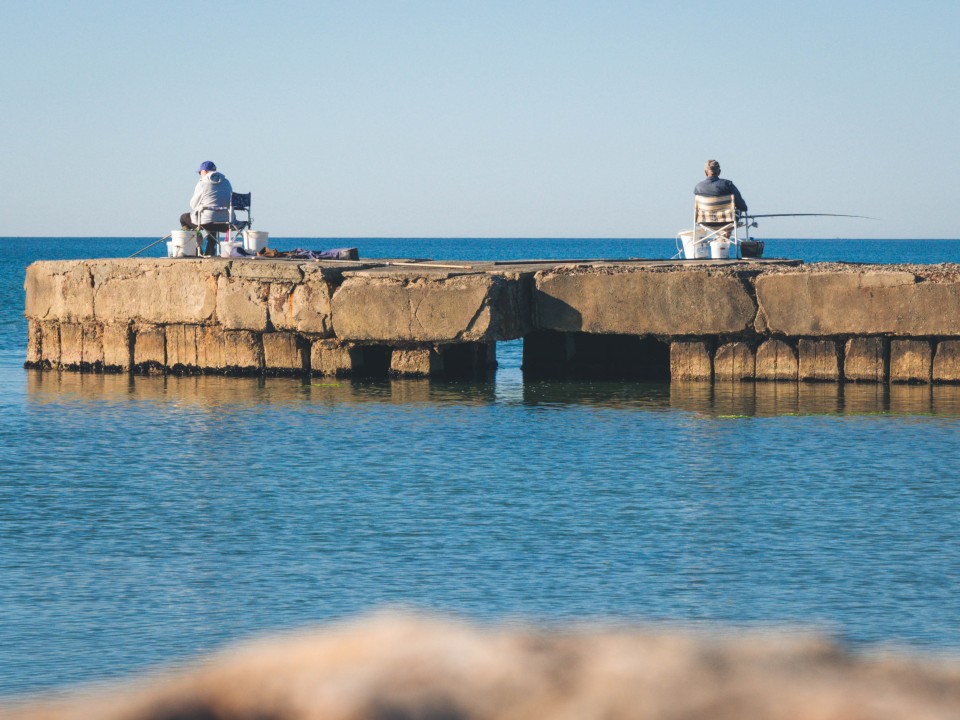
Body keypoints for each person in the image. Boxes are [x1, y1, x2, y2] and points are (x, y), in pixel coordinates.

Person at [179, 161, 233, 256]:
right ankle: (210, 250)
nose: (200, 175)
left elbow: (193, 204)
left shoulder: (202, 183)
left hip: (207, 222)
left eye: (200, 172)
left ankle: (194, 248)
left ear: (204, 171)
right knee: (213, 218)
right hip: (226, 222)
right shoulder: (227, 182)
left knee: (183, 218)